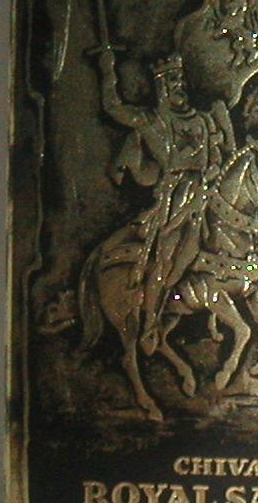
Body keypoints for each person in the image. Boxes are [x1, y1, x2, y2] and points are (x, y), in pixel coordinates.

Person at [97, 48, 235, 354]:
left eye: (181, 80)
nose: (179, 86)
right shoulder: (153, 121)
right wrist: (107, 69)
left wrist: (214, 169)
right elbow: (112, 107)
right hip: (176, 200)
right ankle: (151, 324)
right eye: (172, 81)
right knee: (167, 263)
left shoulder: (203, 121)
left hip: (208, 192)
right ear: (161, 86)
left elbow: (217, 157)